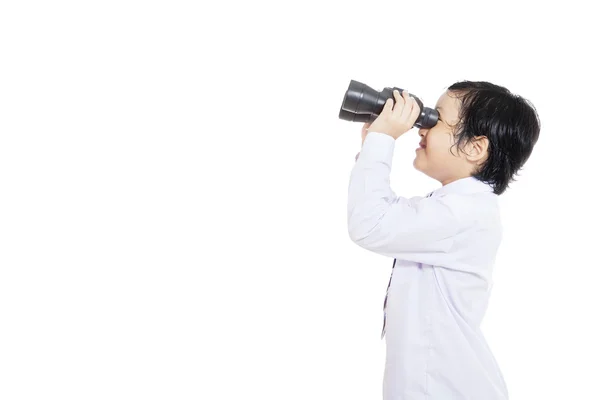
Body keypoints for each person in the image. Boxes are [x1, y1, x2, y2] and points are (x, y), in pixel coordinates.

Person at [348, 83, 540, 399]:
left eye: (436, 119)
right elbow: (384, 214)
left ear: (475, 148)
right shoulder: (457, 207)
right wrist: (373, 144)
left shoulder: (466, 211)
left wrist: (383, 141)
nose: (421, 127)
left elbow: (371, 224)